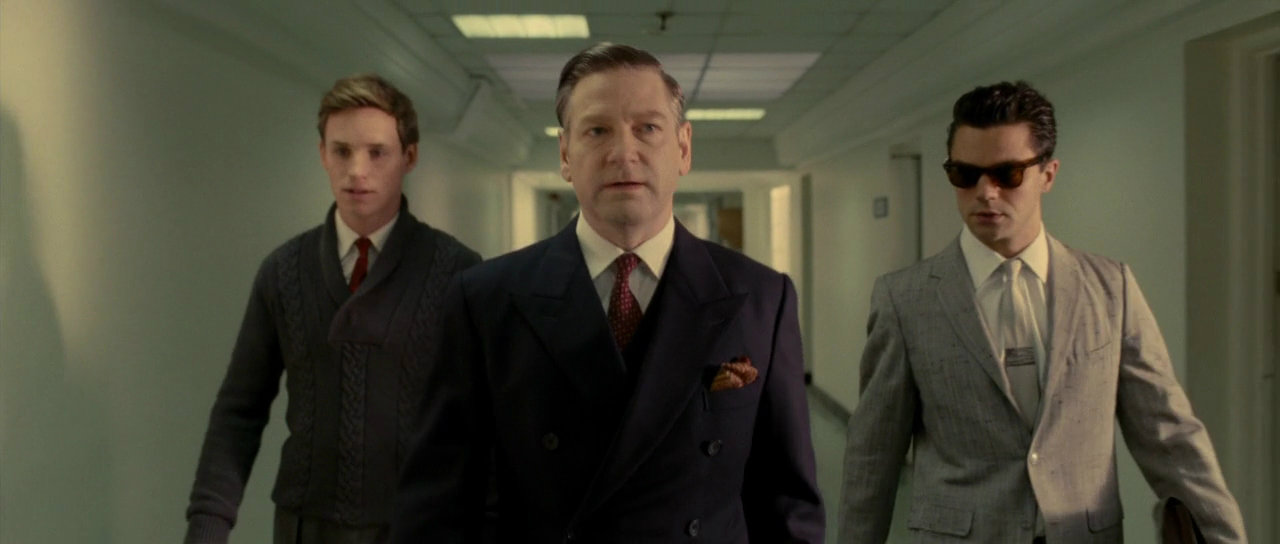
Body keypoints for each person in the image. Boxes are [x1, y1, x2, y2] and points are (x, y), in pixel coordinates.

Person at [391, 43, 824, 543]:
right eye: (597, 131)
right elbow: (438, 503)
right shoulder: (486, 298)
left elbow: (787, 503)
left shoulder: (763, 298)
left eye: (648, 128)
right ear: (565, 154)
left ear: (683, 148)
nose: (623, 152)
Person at [839, 81, 1246, 543]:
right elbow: (872, 456)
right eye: (965, 174)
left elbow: (1168, 435)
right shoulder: (904, 299)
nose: (985, 192)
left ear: (1047, 175)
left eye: (1007, 174)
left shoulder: (1111, 288)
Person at [184, 73, 481, 543]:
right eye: (342, 151)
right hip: (305, 525)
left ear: (409, 157)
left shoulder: (457, 272)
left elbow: (485, 419)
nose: (356, 171)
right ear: (322, 154)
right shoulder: (283, 271)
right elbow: (239, 411)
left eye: (377, 152)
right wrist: (207, 528)